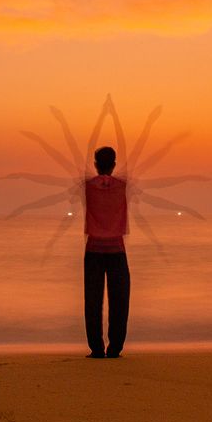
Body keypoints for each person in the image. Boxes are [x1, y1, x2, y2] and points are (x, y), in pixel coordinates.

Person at [83, 145, 130, 358]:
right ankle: (115, 348)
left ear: (95, 165)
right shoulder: (122, 185)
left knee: (93, 301)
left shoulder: (88, 186)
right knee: (119, 300)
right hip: (116, 249)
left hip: (93, 249)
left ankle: (96, 348)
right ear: (113, 165)